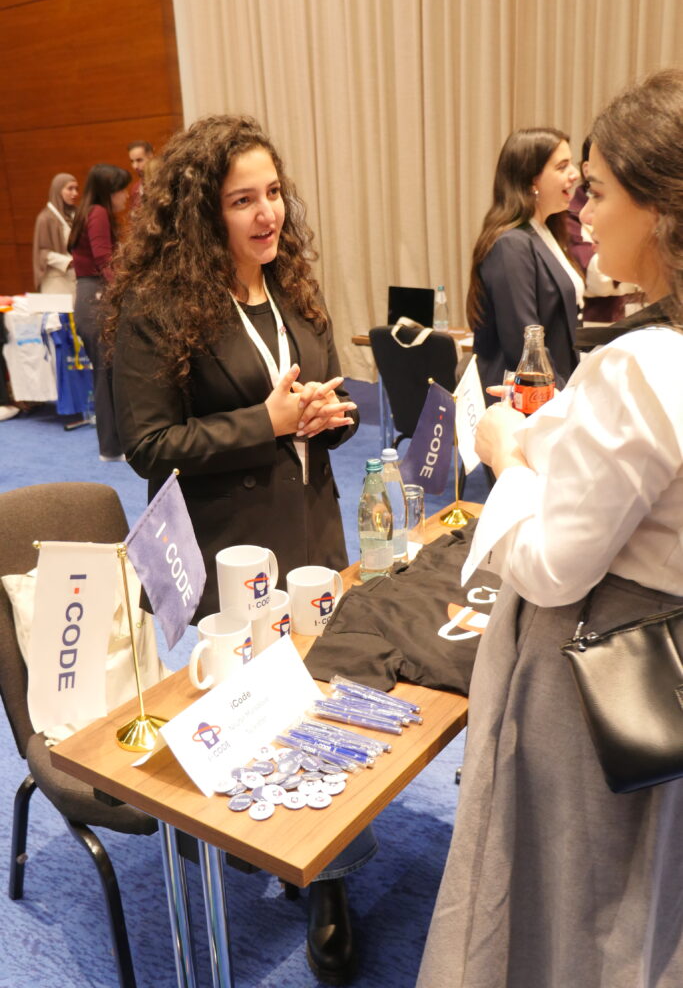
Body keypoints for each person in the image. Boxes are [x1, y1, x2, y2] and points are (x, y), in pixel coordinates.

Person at [418, 68, 683, 988]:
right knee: (640, 899)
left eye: (600, 191)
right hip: (658, 668)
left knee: (563, 901)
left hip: (588, 677)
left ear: (658, 208)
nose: (585, 213)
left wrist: (504, 455)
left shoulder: (643, 367)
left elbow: (551, 565)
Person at [105, 115, 368, 984]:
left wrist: (334, 419)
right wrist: (267, 422)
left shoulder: (291, 288)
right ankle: (263, 840)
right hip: (227, 543)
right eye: (241, 200)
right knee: (254, 698)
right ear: (200, 213)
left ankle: (326, 877)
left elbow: (320, 398)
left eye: (273, 193)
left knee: (324, 692)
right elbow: (149, 445)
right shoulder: (158, 306)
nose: (267, 215)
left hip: (312, 524)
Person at [466, 128, 583, 406]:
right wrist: (562, 400)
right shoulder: (512, 244)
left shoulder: (545, 232)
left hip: (552, 390)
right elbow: (523, 341)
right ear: (533, 180)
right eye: (562, 166)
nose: (576, 173)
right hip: (524, 400)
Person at [68, 163, 131, 460]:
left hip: (89, 295)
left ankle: (112, 445)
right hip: (95, 297)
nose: (126, 195)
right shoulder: (99, 213)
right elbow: (104, 259)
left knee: (106, 374)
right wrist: (125, 291)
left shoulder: (89, 211)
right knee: (108, 374)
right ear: (109, 191)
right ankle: (111, 446)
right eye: (121, 189)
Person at [567, 134, 640, 322]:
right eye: (561, 166)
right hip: (599, 323)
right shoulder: (570, 215)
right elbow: (599, 279)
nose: (572, 174)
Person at [32, 173, 79, 295]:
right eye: (70, 188)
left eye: (76, 189)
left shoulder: (77, 214)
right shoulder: (45, 218)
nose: (75, 193)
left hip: (76, 278)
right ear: (58, 190)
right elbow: (41, 253)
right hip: (56, 282)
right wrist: (67, 262)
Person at [127, 139, 154, 210]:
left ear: (151, 157)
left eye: (139, 160)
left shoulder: (164, 183)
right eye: (132, 161)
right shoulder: (135, 189)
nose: (135, 166)